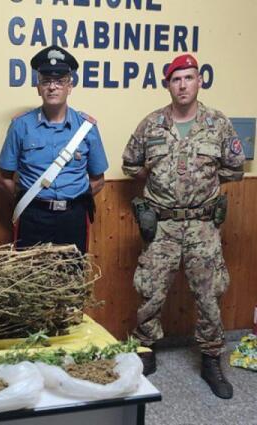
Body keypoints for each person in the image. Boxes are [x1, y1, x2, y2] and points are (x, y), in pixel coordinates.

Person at [122, 54, 244, 399]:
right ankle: (145, 351)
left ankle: (210, 359)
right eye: (176, 79)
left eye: (189, 77)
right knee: (150, 290)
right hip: (161, 225)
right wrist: (159, 185)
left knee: (209, 294)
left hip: (203, 226)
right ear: (168, 85)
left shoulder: (217, 124)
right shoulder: (152, 124)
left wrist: (201, 187)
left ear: (199, 81)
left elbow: (234, 168)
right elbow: (131, 164)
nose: (183, 85)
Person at [0, 45, 108, 253]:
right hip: (33, 216)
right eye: (46, 81)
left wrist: (73, 199)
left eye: (59, 81)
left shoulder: (87, 128)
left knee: (72, 271)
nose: (52, 87)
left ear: (70, 86)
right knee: (29, 273)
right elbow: (4, 179)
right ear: (38, 87)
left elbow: (98, 180)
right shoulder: (21, 126)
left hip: (73, 218)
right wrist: (30, 202)